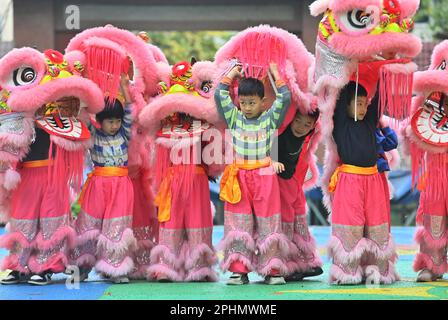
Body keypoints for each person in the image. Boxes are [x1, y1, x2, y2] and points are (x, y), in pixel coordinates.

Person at [216, 62, 291, 285]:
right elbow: (220, 94)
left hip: (265, 175)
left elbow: (285, 98)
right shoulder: (234, 118)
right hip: (238, 178)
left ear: (263, 102)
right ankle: (239, 270)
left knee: (269, 221)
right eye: (243, 102)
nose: (247, 107)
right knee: (239, 223)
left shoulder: (270, 119)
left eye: (252, 102)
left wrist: (275, 73)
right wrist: (232, 74)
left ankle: (273, 270)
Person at [328, 70, 399, 285]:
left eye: (363, 103)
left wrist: (383, 74)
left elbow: (378, 101)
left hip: (374, 180)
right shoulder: (340, 124)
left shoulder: (369, 122)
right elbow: (338, 100)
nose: (362, 107)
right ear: (346, 105)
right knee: (351, 224)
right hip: (349, 179)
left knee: (377, 224)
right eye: (356, 103)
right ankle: (347, 272)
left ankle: (379, 270)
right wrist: (349, 68)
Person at [70, 74, 136, 284]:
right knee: (89, 225)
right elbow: (82, 115)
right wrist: (83, 84)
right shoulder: (94, 134)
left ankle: (114, 268)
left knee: (116, 225)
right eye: (110, 121)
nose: (115, 125)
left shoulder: (124, 134)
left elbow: (130, 112)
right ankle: (82, 266)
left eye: (117, 121)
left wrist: (124, 87)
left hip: (121, 186)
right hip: (97, 185)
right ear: (99, 122)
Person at [271, 109, 323, 281]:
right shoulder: (281, 128)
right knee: (285, 222)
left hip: (296, 183)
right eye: (298, 121)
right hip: (281, 183)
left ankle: (307, 263)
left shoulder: (310, 133)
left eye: (307, 124)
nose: (302, 127)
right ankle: (284, 265)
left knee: (299, 223)